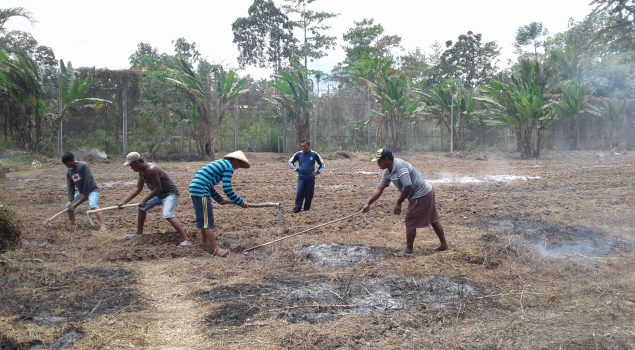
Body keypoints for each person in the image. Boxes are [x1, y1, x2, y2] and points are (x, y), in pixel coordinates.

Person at [362, 148, 448, 255]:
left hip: (421, 194)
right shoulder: (387, 171)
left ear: (387, 159)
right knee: (433, 219)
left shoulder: (400, 167)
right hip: (426, 192)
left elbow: (407, 186)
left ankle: (408, 250)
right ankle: (444, 244)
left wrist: (398, 203)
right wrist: (368, 203)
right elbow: (379, 189)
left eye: (379, 161)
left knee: (410, 221)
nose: (378, 164)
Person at [118, 152, 191, 247]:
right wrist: (124, 202)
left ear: (137, 163)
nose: (132, 169)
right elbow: (138, 189)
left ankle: (186, 240)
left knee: (168, 215)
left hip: (170, 194)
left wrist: (144, 200)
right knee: (142, 209)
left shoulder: (152, 169)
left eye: (131, 166)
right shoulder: (142, 173)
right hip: (160, 195)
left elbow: (158, 188)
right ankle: (139, 234)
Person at [189, 150, 250, 256]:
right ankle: (216, 250)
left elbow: (209, 184)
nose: (237, 167)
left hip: (196, 189)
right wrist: (240, 202)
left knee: (204, 219)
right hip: (201, 190)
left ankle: (204, 243)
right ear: (235, 160)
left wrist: (218, 199)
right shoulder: (229, 166)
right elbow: (227, 188)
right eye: (239, 164)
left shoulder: (221, 163)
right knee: (208, 221)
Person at [62, 152, 106, 231]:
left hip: (92, 190)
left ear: (72, 161)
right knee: (68, 207)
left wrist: (85, 194)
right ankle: (73, 225)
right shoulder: (69, 172)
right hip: (82, 192)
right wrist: (70, 200)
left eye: (67, 164)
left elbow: (87, 180)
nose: (67, 166)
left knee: (93, 206)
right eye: (65, 165)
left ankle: (103, 225)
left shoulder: (83, 166)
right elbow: (70, 186)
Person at [288, 140, 325, 213]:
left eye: (304, 146)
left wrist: (317, 172)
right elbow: (290, 162)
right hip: (301, 178)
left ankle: (306, 209)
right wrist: (296, 169)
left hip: (310, 178)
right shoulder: (298, 154)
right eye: (301, 146)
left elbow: (322, 165)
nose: (303, 148)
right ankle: (297, 209)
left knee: (309, 194)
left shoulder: (314, 154)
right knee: (299, 193)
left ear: (308, 146)